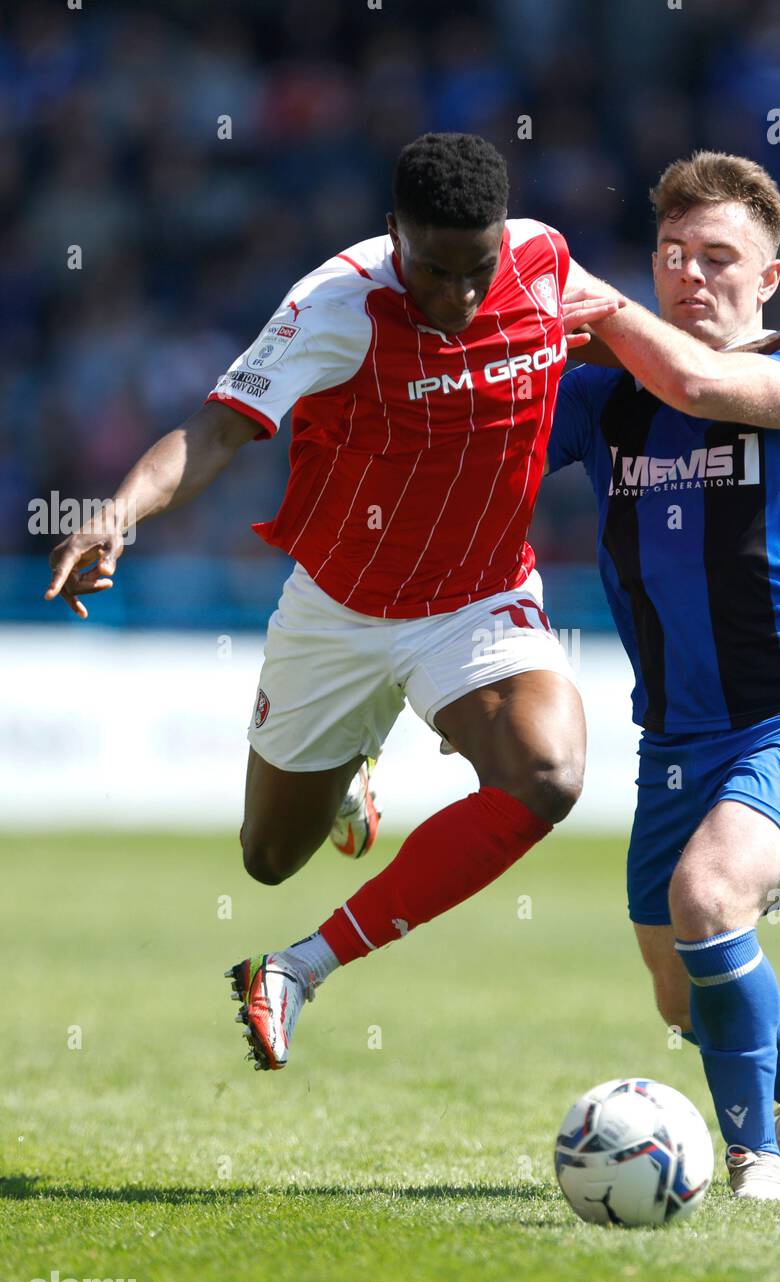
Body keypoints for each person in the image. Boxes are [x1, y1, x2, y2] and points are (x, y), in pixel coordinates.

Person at [45, 132, 623, 1072]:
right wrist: (117, 514)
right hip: (341, 610)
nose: (462, 296)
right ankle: (351, 766)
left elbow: (622, 329)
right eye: (436, 272)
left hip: (478, 602)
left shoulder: (543, 258)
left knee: (547, 775)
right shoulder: (335, 303)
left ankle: (296, 968)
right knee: (268, 858)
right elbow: (216, 431)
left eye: (478, 271)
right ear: (393, 233)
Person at [546, 149, 780, 1200]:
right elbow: (476, 442)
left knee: (708, 897)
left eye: (719, 256)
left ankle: (755, 1162)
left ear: (769, 276)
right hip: (676, 740)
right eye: (672, 254)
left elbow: (699, 381)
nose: (691, 274)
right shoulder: (607, 402)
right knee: (682, 993)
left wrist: (593, 308)